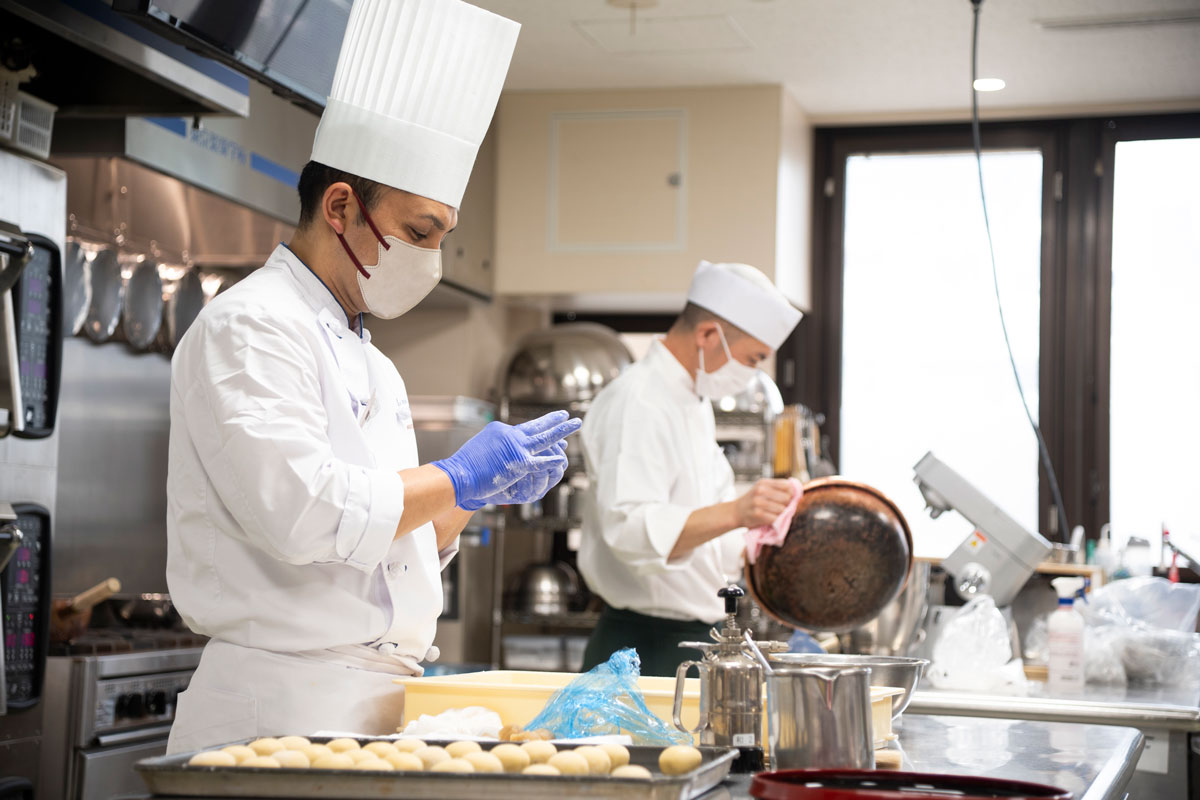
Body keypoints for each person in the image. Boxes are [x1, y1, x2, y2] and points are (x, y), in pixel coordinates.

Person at [164, 0, 578, 752]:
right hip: (277, 706)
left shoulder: (375, 363)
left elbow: (386, 541)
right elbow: (303, 512)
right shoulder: (251, 325)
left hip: (372, 704)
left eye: (443, 238)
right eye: (421, 232)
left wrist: (474, 500)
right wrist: (454, 476)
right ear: (342, 205)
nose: (431, 259)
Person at [578, 260, 803, 676]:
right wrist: (737, 512)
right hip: (645, 648)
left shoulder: (691, 401)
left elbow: (701, 519)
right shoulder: (639, 401)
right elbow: (628, 529)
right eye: (753, 359)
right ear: (706, 335)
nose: (751, 374)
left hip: (693, 638)